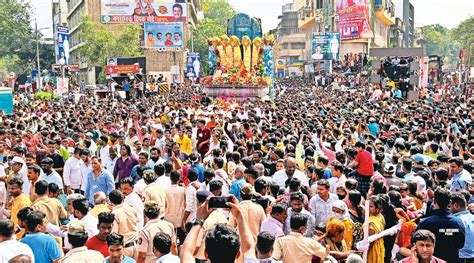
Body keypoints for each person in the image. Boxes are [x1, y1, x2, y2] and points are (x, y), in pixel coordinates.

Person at [416, 188, 465, 262]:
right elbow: (461, 244)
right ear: (450, 202)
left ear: (434, 201)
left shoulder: (425, 223)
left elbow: (415, 243)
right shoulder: (458, 222)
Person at [109, 190, 138, 258]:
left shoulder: (114, 214)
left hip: (125, 248)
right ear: (123, 198)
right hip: (136, 246)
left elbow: (114, 234)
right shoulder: (131, 209)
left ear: (111, 201)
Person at [449, 192, 473, 262]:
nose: (448, 209)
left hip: (462, 257)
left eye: (449, 206)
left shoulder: (455, 221)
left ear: (456, 205)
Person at [366, 195, 385, 263]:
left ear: (377, 208)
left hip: (372, 249)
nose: (368, 208)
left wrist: (365, 252)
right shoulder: (379, 216)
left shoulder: (373, 223)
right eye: (367, 205)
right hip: (378, 246)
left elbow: (370, 241)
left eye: (371, 206)